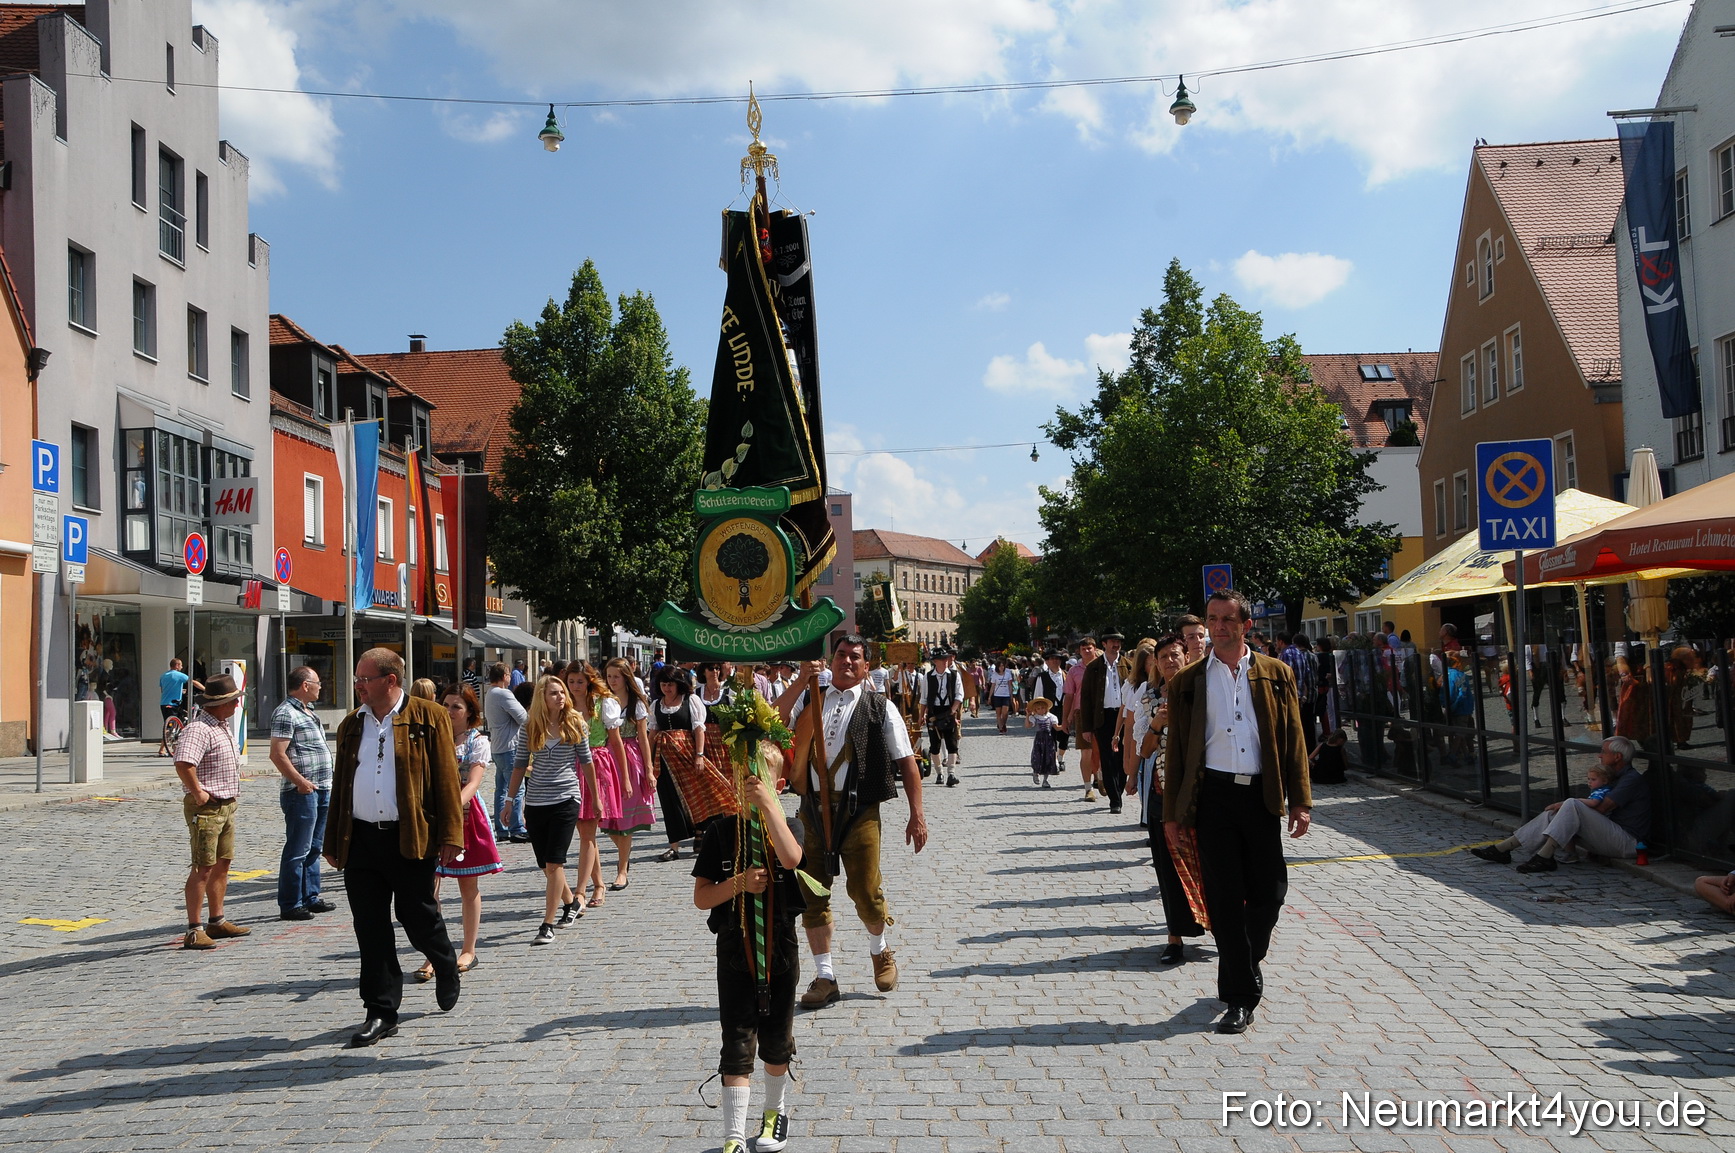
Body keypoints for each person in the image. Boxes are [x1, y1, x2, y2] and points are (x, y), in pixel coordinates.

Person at [1163, 590, 1311, 1035]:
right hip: (1212, 798)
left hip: (1260, 797)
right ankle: (1239, 997)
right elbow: (1177, 755)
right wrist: (1172, 814)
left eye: (1228, 619)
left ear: (1246, 625)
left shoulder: (1275, 673)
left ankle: (1247, 959)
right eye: (1213, 619)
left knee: (1270, 892)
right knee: (1224, 899)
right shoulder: (1187, 682)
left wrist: (1300, 800)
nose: (1220, 626)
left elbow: (1294, 740)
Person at [323, 648, 464, 1047]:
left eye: (364, 679)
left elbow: (446, 780)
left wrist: (452, 835)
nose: (358, 686)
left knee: (415, 913)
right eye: (357, 679)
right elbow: (342, 785)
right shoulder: (353, 723)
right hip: (362, 839)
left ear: (391, 680)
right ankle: (381, 1010)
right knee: (370, 926)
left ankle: (444, 960)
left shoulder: (428, 716)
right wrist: (333, 839)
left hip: (410, 835)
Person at [780, 634, 928, 1009]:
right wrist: (800, 679)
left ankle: (880, 950)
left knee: (865, 890)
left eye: (855, 658)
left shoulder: (880, 707)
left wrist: (917, 815)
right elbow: (774, 722)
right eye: (841, 655)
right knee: (811, 893)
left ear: (866, 666)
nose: (846, 662)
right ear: (831, 660)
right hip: (811, 810)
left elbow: (907, 762)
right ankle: (825, 977)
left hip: (859, 811)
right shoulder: (810, 694)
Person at [692, 749, 804, 1153]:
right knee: (737, 1041)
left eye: (758, 783)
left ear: (777, 786)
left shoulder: (788, 825)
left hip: (780, 948)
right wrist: (737, 883)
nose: (749, 791)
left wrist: (768, 808)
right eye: (743, 783)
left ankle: (775, 1114)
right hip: (734, 947)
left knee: (776, 1039)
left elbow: (792, 858)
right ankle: (734, 1135)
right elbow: (702, 898)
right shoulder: (721, 832)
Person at [414, 685, 501, 979]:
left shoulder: (477, 741)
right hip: (431, 816)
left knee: (468, 886)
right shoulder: (431, 737)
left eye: (457, 707)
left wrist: (450, 809)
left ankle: (468, 949)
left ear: (470, 713)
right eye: (446, 705)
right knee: (429, 888)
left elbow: (473, 782)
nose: (450, 712)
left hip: (463, 814)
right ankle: (435, 952)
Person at [1470, 737, 1650, 872]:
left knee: (1571, 804)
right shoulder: (1613, 778)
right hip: (1610, 835)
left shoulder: (1630, 779)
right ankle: (1503, 849)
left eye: (1604, 752)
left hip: (1627, 841)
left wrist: (1565, 805)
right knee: (1553, 814)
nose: (1599, 756)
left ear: (1617, 757)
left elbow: (1602, 808)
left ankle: (1545, 856)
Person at [510, 675, 599, 943]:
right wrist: (509, 799)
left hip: (566, 798)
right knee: (546, 866)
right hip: (536, 801)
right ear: (542, 697)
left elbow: (587, 763)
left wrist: (596, 797)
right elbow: (519, 764)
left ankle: (547, 924)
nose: (560, 696)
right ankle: (571, 902)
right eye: (553, 693)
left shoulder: (575, 723)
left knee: (554, 861)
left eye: (562, 692)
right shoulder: (530, 726)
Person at [1135, 634, 1206, 964]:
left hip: (1201, 791)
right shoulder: (1150, 699)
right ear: (1156, 664)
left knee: (1209, 863)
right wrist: (1156, 724)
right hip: (1162, 791)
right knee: (1167, 867)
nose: (1170, 661)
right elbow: (1144, 751)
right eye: (1163, 657)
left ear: (1186, 656)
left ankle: (1220, 925)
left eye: (1175, 655)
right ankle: (1174, 937)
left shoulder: (1203, 690)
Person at [172, 674, 251, 950]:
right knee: (202, 866)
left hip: (226, 804)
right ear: (219, 703)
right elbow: (183, 763)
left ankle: (216, 920)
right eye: (232, 701)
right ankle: (194, 928)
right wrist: (198, 792)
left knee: (222, 863)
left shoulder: (221, 725)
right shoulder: (199, 729)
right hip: (207, 806)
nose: (235, 706)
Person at [269, 666, 336, 922]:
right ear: (305, 685)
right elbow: (277, 754)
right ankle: (291, 903)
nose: (321, 686)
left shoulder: (309, 712)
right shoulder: (286, 713)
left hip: (321, 787)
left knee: (315, 847)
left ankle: (310, 896)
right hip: (302, 791)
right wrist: (300, 782)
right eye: (318, 682)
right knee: (298, 848)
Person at [652, 667, 737, 861]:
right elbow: (652, 733)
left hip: (688, 754)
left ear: (678, 684)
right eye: (663, 684)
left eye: (670, 684)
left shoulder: (691, 701)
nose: (667, 688)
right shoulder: (657, 705)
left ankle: (703, 832)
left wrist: (699, 755)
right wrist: (647, 760)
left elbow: (699, 729)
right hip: (665, 758)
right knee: (669, 800)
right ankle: (674, 846)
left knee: (699, 794)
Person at [566, 662, 629, 908]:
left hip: (596, 766)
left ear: (590, 681)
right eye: (571, 682)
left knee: (588, 832)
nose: (575, 687)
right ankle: (598, 884)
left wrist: (624, 776)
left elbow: (616, 742)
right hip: (570, 767)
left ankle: (582, 890)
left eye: (580, 681)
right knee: (584, 833)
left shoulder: (604, 704)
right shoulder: (565, 705)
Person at [601, 658, 655, 889]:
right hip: (607, 757)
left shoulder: (636, 702)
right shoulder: (603, 699)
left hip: (630, 758)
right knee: (604, 816)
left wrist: (649, 769)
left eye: (616, 676)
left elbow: (643, 737)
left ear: (625, 677)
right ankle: (625, 852)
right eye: (609, 676)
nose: (612, 681)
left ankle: (622, 868)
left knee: (625, 817)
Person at [1078, 631, 1130, 814]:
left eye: (1118, 641)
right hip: (1103, 717)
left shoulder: (1128, 665)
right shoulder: (1094, 667)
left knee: (1124, 757)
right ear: (1104, 644)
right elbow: (1085, 699)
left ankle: (1119, 787)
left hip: (1124, 716)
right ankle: (1115, 800)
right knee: (1107, 759)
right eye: (1112, 641)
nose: (1116, 644)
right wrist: (1087, 727)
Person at [484, 662, 529, 844]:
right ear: (504, 676)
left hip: (497, 746)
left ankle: (501, 828)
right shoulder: (503, 693)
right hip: (510, 746)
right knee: (517, 788)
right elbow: (524, 718)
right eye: (509, 675)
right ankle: (516, 827)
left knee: (501, 789)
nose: (510, 678)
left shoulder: (489, 693)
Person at [917, 649, 965, 787]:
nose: (945, 661)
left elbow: (959, 696)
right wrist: (921, 716)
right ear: (935, 661)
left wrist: (952, 711)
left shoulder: (955, 675)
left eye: (946, 659)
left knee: (952, 744)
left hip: (948, 711)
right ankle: (939, 773)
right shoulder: (928, 676)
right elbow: (924, 698)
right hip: (933, 712)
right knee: (935, 746)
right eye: (942, 659)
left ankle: (951, 773)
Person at [1063, 638, 1101, 798]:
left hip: (1100, 712)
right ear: (1079, 651)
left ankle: (1100, 777)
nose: (1087, 651)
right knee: (1086, 752)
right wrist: (1066, 718)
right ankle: (1088, 788)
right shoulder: (1074, 671)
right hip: (1081, 714)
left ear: (1095, 649)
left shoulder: (1103, 667)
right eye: (1084, 648)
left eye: (1089, 648)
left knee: (1100, 751)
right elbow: (1069, 696)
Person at [1031, 650, 1070, 774]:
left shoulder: (1066, 675)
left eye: (1057, 659)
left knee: (1065, 735)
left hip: (1064, 708)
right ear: (1047, 661)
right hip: (1048, 710)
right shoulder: (1042, 677)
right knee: (1050, 736)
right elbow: (1038, 695)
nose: (1055, 661)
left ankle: (1061, 758)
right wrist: (1037, 712)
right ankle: (1054, 762)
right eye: (1052, 659)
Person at [157, 657, 203, 757]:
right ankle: (162, 749)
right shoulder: (179, 675)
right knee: (171, 727)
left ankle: (174, 748)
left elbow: (164, 690)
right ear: (177, 665)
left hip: (164, 703)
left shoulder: (163, 676)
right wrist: (206, 689)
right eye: (181, 665)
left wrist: (180, 691)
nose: (182, 667)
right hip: (174, 703)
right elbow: (193, 682)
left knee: (171, 725)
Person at [1027, 696, 1059, 787]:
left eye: (1043, 708)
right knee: (1037, 756)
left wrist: (1065, 726)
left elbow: (1056, 727)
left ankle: (1045, 780)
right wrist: (1027, 716)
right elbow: (1028, 726)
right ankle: (1036, 772)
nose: (1041, 710)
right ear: (1035, 710)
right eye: (1038, 708)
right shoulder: (1035, 718)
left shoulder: (1051, 717)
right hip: (1039, 740)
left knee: (1048, 758)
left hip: (1048, 739)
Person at [987, 656, 1017, 733]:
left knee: (1005, 713)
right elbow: (993, 686)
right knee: (998, 713)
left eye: (1002, 666)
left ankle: (1003, 723)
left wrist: (1011, 695)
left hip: (1006, 695)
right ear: (997, 667)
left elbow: (1010, 685)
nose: (1001, 667)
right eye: (1000, 666)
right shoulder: (994, 675)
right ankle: (1001, 727)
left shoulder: (1008, 674)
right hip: (997, 695)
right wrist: (990, 697)